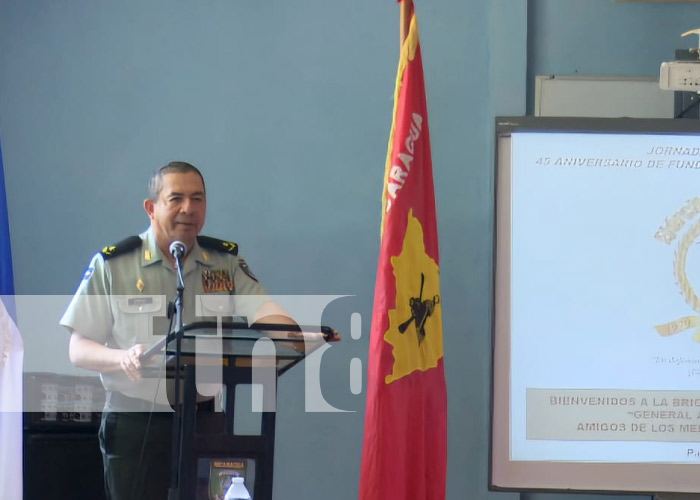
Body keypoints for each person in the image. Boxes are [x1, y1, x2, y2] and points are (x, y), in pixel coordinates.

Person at [59, 161, 295, 500]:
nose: (189, 208)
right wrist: (121, 357)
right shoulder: (115, 264)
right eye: (177, 198)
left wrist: (299, 337)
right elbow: (78, 348)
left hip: (205, 420)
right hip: (136, 422)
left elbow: (264, 310)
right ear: (151, 208)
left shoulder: (224, 263)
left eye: (197, 199)